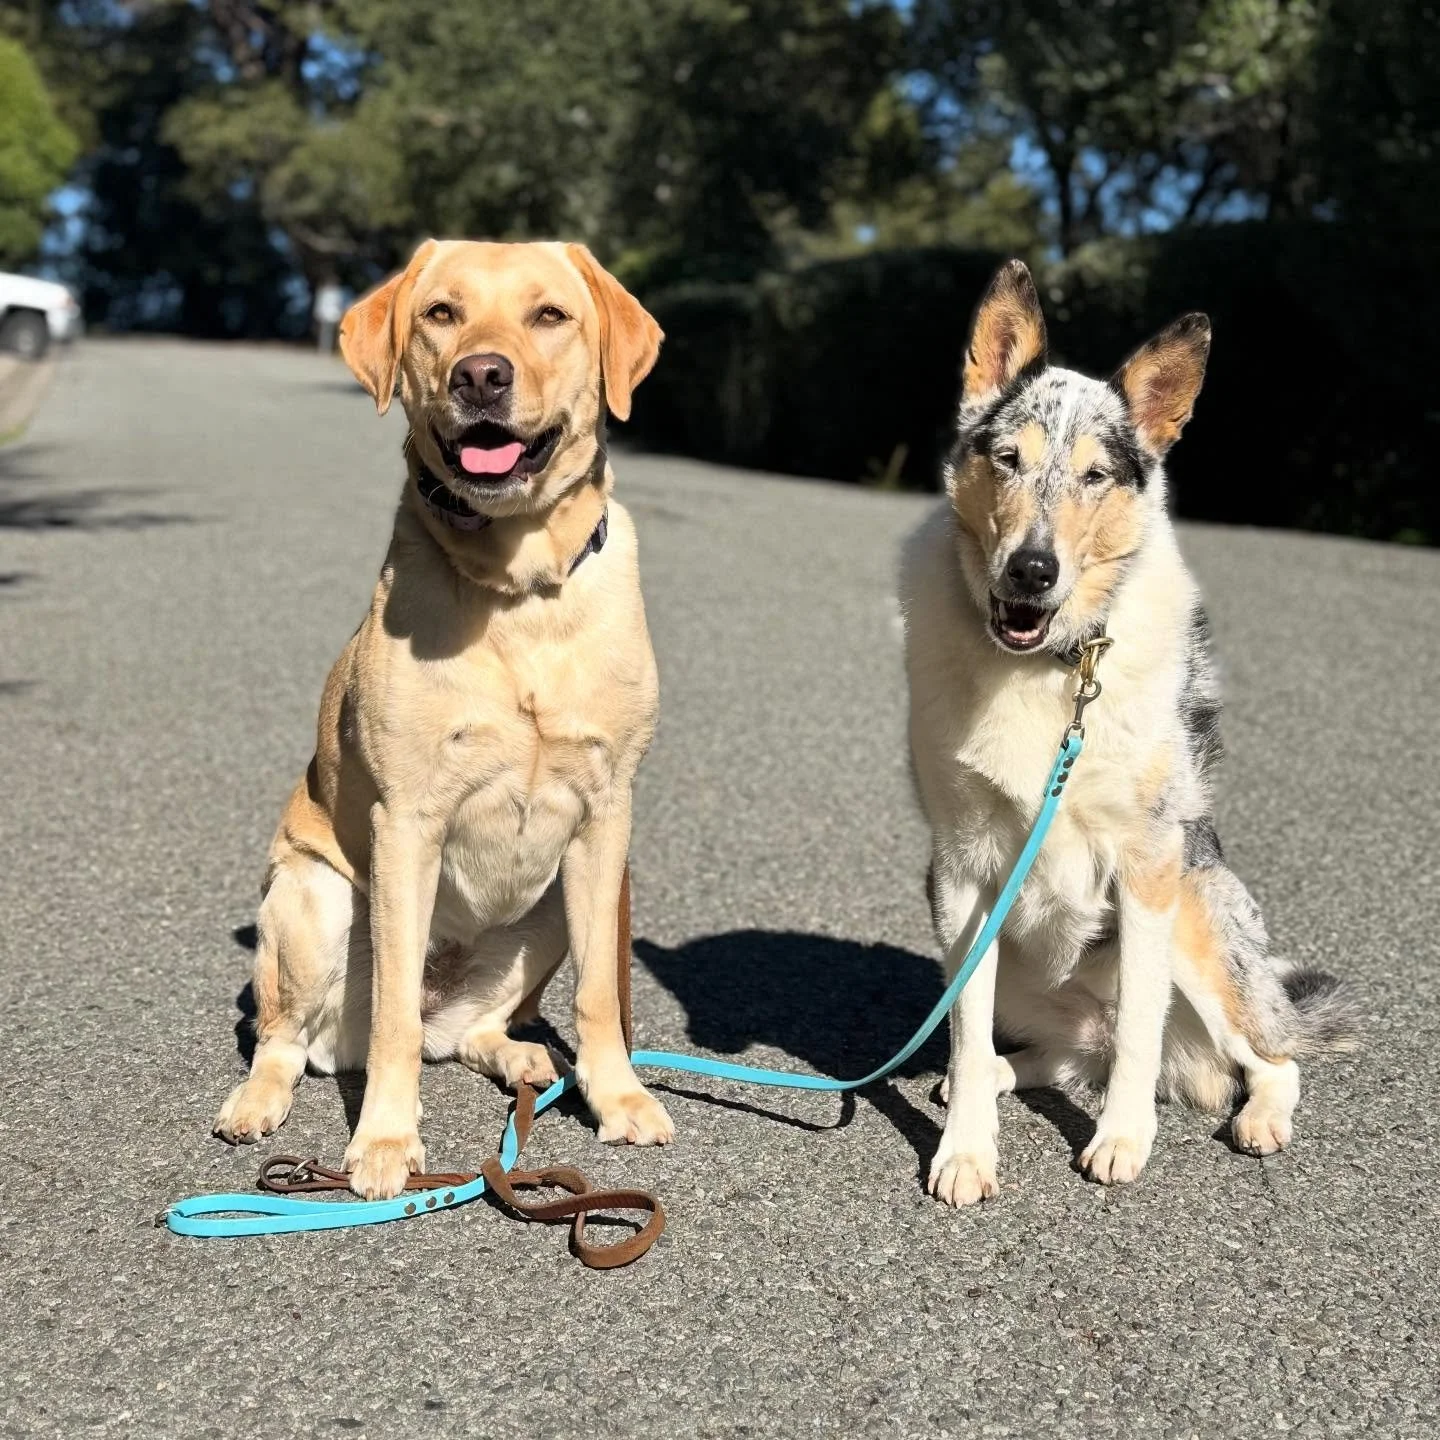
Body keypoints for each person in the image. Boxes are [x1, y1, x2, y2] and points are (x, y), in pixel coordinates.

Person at [313, 280, 345, 354]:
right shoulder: (325, 292)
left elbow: (340, 304)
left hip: (334, 314)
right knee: (325, 333)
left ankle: (330, 349)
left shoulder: (337, 293)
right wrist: (318, 313)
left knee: (333, 334)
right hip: (326, 314)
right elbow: (321, 303)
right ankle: (324, 348)